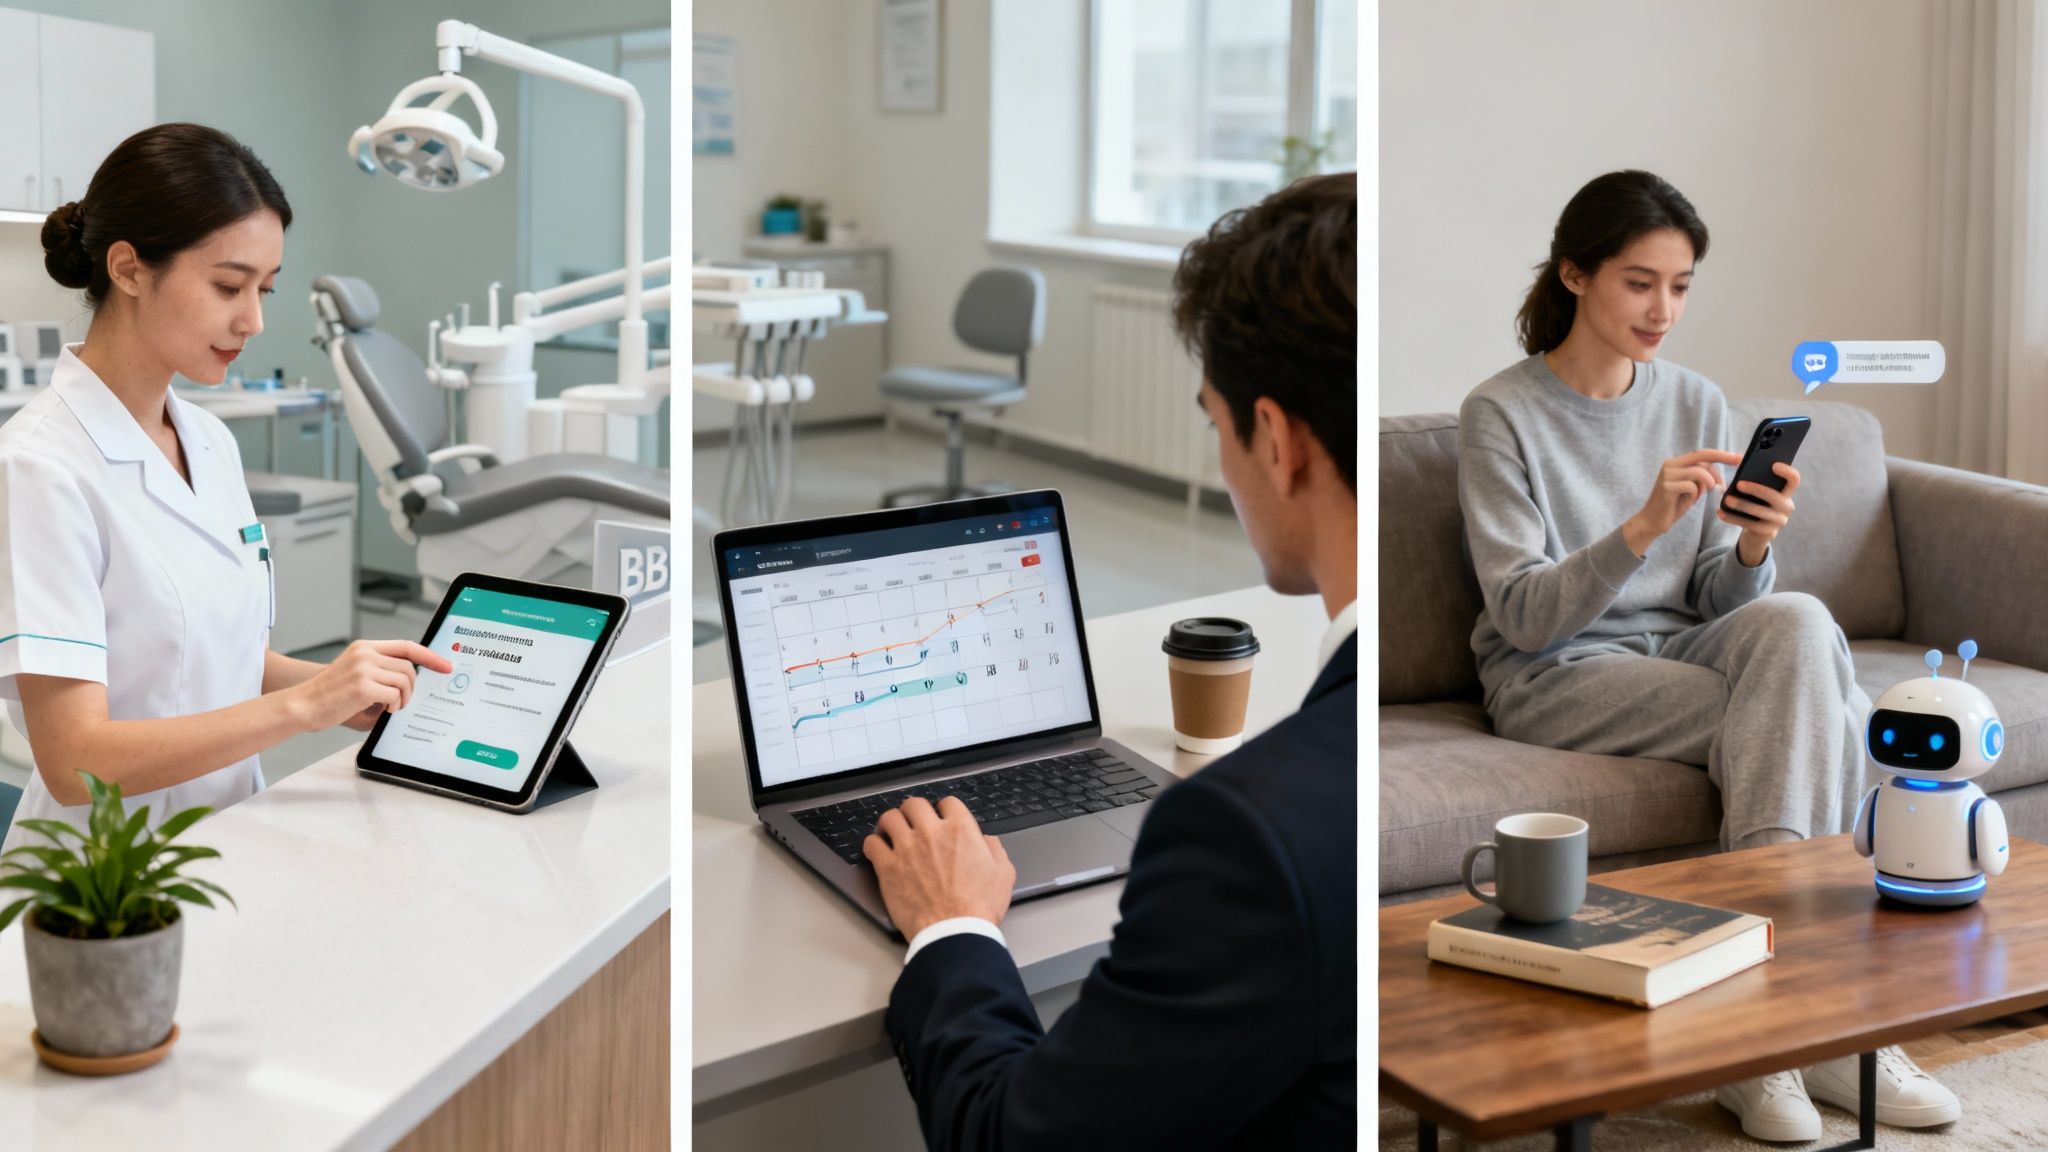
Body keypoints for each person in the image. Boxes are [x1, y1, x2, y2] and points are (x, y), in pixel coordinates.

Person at [859, 172, 1356, 1151]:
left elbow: (1013, 1138)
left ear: (1273, 438)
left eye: (1213, 420)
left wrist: (952, 924)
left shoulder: (1244, 835)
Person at [1460, 169, 1956, 1141]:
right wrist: (1639, 525)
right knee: (1823, 715)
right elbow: (1522, 616)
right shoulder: (1499, 414)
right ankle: (1803, 1024)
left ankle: (1774, 1029)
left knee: (1800, 626)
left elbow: (1708, 603)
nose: (1662, 309)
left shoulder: (1694, 399)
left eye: (1680, 286)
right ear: (1573, 274)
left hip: (1680, 650)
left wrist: (1752, 550)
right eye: (1638, 282)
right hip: (1556, 674)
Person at [0, 123, 450, 855]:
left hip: (230, 838)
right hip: (104, 881)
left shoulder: (209, 442)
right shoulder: (39, 467)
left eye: (264, 289)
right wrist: (306, 706)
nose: (254, 320)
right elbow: (78, 761)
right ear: (130, 269)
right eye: (228, 286)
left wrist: (347, 687)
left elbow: (211, 658)